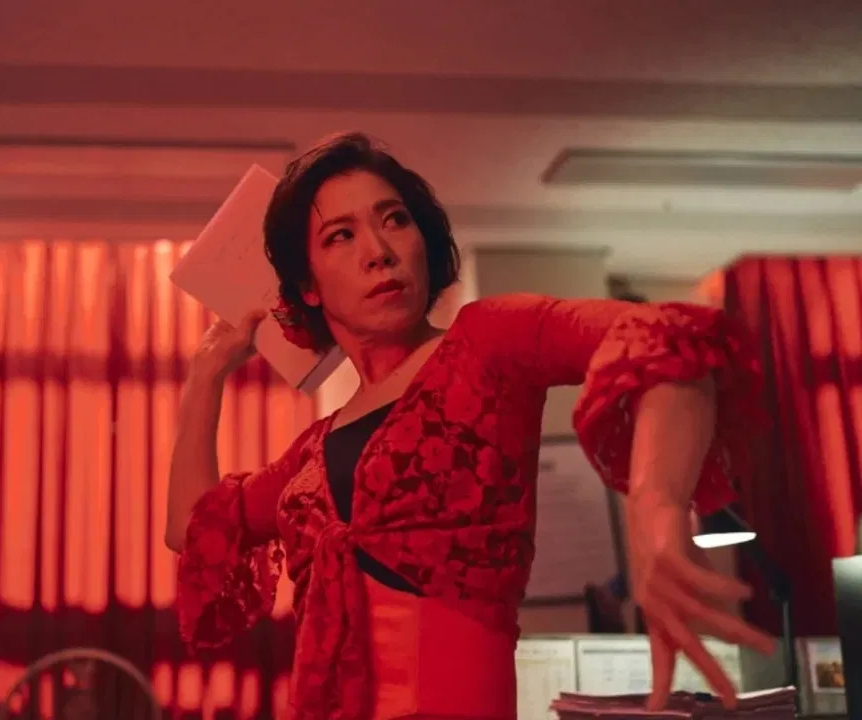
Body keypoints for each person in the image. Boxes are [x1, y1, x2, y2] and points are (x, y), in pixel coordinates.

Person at [164, 132, 774, 720]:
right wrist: (205, 373)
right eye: (340, 235)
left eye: (395, 220)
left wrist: (656, 507)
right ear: (309, 287)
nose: (379, 249)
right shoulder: (312, 454)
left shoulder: (486, 341)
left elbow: (671, 336)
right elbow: (193, 528)